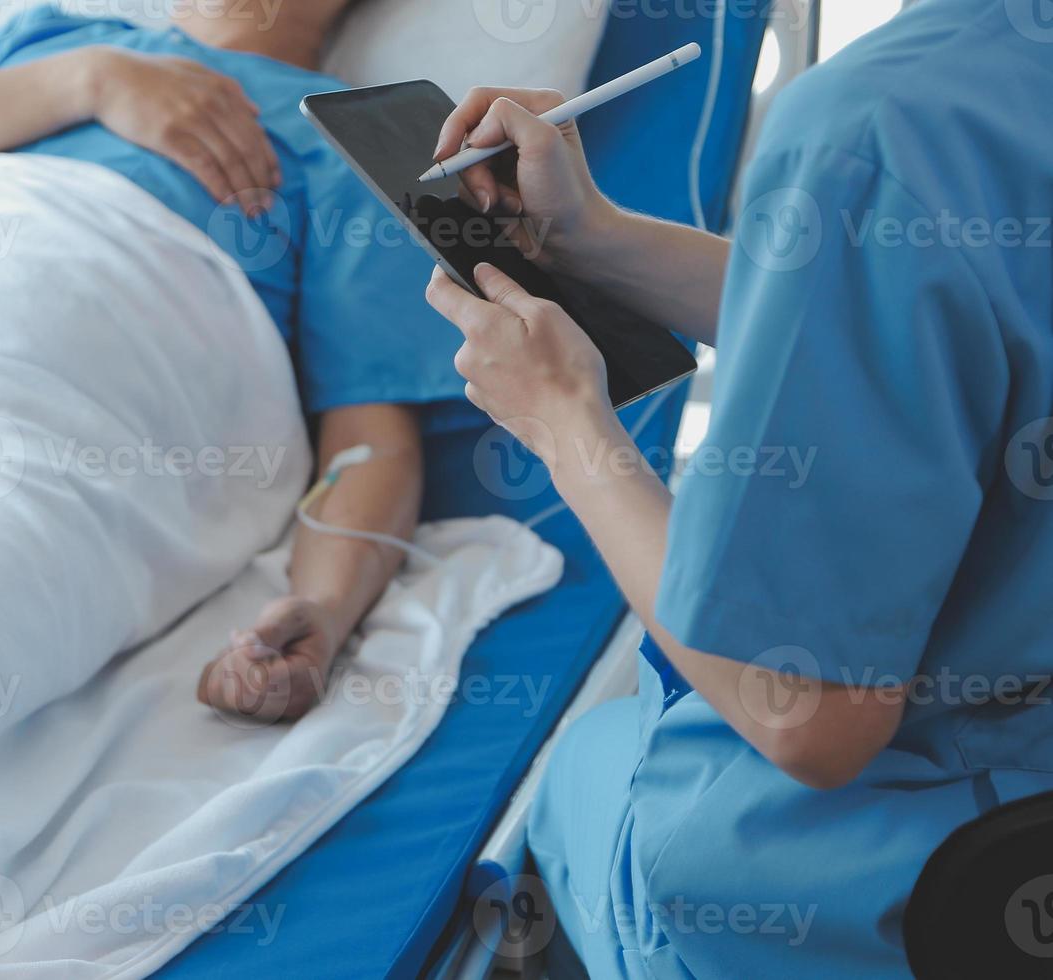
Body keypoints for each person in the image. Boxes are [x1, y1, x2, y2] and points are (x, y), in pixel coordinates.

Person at [424, 0, 1053, 976]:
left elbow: (804, 711)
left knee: (579, 776)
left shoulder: (877, 126)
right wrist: (592, 237)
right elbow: (918, 297)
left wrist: (563, 421)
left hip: (909, 878)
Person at [0, 1, 469, 721]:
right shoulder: (50, 43)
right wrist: (89, 81)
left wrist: (322, 609)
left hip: (58, 442)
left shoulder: (356, 146)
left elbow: (370, 437)